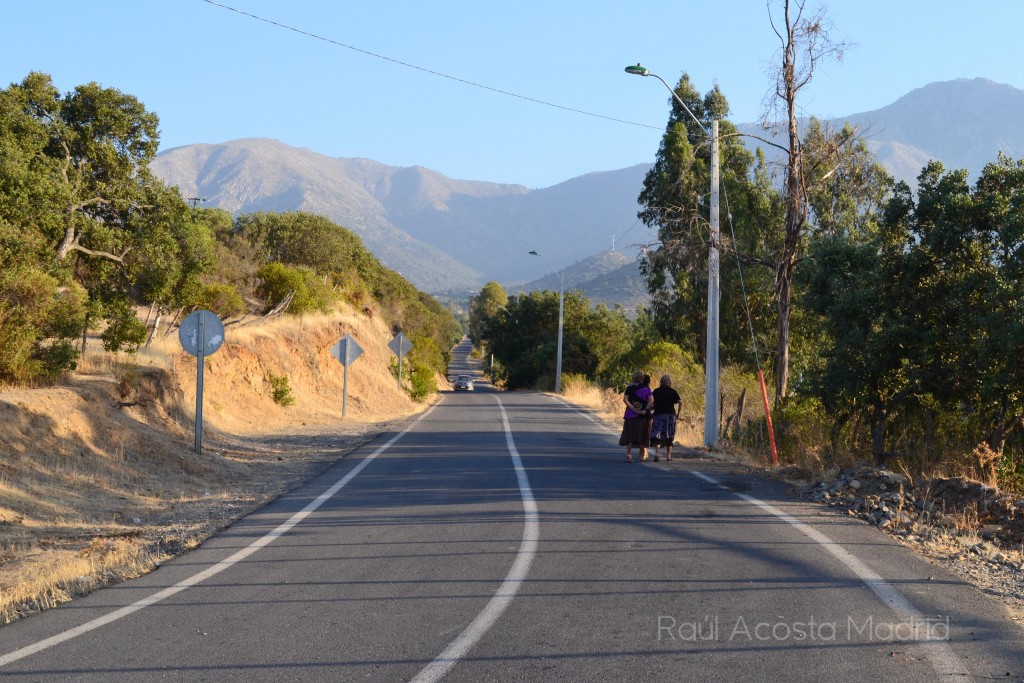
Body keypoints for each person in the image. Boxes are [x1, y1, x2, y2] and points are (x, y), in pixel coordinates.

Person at [619, 371, 653, 462]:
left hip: (630, 415)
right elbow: (650, 401)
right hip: (643, 416)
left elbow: (625, 399)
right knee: (642, 434)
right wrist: (645, 410)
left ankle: (628, 454)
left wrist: (632, 408)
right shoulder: (646, 389)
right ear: (642, 378)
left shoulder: (629, 388)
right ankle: (642, 454)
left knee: (630, 434)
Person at [650, 374, 682, 462]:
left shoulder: (656, 391)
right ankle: (668, 455)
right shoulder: (672, 391)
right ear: (669, 382)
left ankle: (656, 454)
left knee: (657, 433)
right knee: (669, 434)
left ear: (661, 382)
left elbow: (652, 403)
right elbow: (680, 402)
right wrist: (678, 413)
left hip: (658, 414)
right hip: (670, 415)